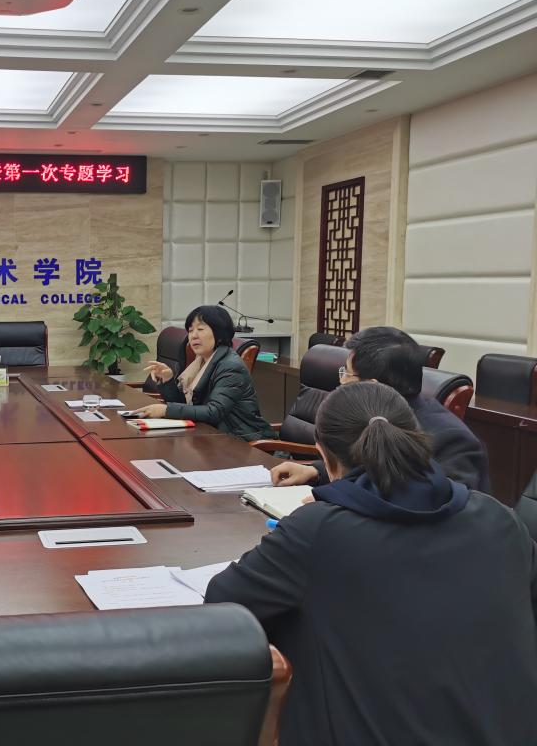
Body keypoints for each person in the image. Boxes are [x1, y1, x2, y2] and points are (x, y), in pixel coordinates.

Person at [205, 382, 537, 745]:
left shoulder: (318, 531)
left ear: (324, 456)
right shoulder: (500, 518)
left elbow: (224, 604)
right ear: (415, 439)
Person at [271, 326, 491, 495]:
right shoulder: (370, 416)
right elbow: (365, 470)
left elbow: (442, 509)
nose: (341, 382)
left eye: (346, 373)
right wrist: (316, 472)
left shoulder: (452, 441)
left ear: (371, 386)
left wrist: (340, 501)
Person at [133, 305, 273, 440]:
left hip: (242, 441)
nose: (193, 336)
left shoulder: (231, 367)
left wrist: (165, 410)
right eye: (190, 330)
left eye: (200, 329)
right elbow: (185, 404)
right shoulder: (201, 361)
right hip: (210, 436)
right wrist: (168, 380)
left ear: (219, 334)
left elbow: (214, 412)